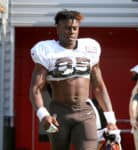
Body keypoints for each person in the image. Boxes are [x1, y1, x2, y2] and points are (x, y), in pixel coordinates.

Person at [29, 9, 118, 150]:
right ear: (57, 28)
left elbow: (99, 87)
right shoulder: (47, 51)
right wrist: (43, 115)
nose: (71, 32)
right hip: (58, 113)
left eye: (75, 28)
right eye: (67, 28)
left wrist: (111, 120)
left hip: (85, 111)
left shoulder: (90, 48)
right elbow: (35, 88)